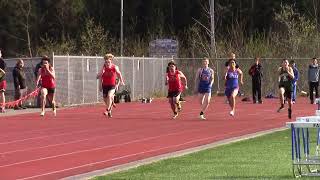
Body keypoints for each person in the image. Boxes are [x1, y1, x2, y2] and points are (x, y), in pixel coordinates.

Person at [97, 53, 125, 118]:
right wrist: (100, 85)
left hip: (112, 85)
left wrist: (122, 81)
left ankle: (107, 110)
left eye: (108, 62)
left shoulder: (114, 67)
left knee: (109, 96)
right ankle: (110, 108)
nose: (107, 64)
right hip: (105, 85)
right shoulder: (103, 68)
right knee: (105, 99)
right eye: (106, 62)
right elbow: (99, 77)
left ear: (111, 61)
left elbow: (119, 74)